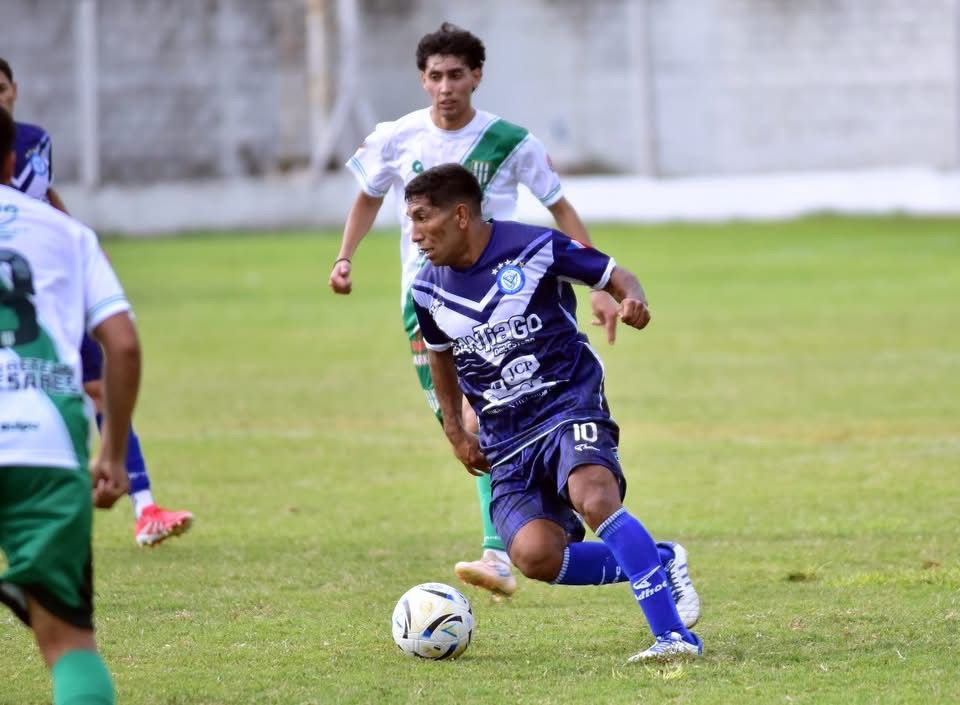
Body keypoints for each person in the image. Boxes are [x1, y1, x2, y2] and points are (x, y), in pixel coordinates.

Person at [329, 24, 700, 613]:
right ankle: (528, 545)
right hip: (430, 305)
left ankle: (502, 547)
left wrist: (601, 286)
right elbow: (368, 195)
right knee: (472, 428)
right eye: (434, 76)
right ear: (421, 79)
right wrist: (345, 256)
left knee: (514, 435)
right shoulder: (398, 137)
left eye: (456, 74)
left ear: (476, 76)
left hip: (513, 294)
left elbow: (559, 207)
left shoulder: (508, 140)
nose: (445, 87)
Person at [406, 163, 703, 660]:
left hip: (566, 399)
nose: (413, 234)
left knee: (595, 497)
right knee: (535, 556)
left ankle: (673, 636)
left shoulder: (535, 247)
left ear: (459, 215)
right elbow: (440, 358)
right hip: (505, 436)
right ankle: (660, 559)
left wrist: (634, 300)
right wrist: (455, 432)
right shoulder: (427, 288)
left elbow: (616, 275)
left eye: (421, 218)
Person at [0, 57, 193, 546]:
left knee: (102, 390)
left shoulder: (35, 139)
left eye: (1, 88)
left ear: (14, 90)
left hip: (51, 288)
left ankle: (145, 508)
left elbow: (42, 196)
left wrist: (77, 233)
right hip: (33, 294)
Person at [0, 106, 136, 704]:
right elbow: (123, 344)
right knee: (68, 646)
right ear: (13, 159)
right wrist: (111, 452)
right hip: (46, 446)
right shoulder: (66, 231)